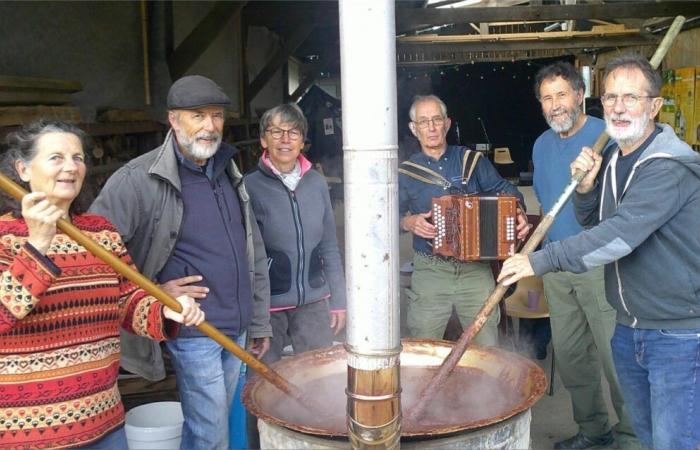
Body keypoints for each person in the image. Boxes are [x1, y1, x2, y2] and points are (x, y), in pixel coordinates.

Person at [499, 54, 700, 450]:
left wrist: (536, 259)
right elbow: (588, 216)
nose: (619, 107)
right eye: (612, 97)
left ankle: (627, 442)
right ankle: (596, 433)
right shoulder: (585, 152)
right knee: (582, 367)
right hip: (601, 293)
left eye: (631, 97)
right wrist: (587, 189)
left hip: (648, 306)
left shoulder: (648, 155)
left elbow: (619, 232)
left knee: (663, 422)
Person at [90, 75, 271, 450]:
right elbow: (93, 255)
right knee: (210, 431)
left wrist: (258, 322)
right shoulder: (137, 179)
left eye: (217, 116)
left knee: (215, 425)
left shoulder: (228, 169)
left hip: (235, 325)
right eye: (198, 115)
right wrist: (154, 293)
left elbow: (252, 249)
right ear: (174, 120)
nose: (210, 126)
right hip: (195, 329)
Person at [0, 121, 204, 449]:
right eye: (56, 158)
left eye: (78, 158)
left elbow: (127, 299)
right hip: (26, 432)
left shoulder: (100, 233)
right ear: (23, 169)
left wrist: (165, 310)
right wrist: (37, 244)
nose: (70, 166)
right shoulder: (4, 238)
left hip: (104, 422)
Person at [531, 62, 637, 450]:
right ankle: (594, 432)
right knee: (574, 360)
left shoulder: (608, 135)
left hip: (600, 267)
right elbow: (546, 205)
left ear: (579, 95)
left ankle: (631, 438)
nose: (555, 105)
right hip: (557, 267)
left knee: (616, 360)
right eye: (547, 97)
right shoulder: (541, 145)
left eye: (562, 94)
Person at [399, 94, 528, 345]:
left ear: (447, 123)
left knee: (486, 341)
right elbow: (384, 219)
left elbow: (507, 190)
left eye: (437, 119)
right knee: (425, 344)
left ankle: (482, 385)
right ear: (414, 129)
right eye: (424, 122)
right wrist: (408, 222)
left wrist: (519, 211)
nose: (432, 127)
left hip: (475, 269)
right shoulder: (406, 172)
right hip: (430, 269)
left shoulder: (472, 161)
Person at [244, 103, 346, 363]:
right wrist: (257, 319)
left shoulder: (317, 183)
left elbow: (329, 246)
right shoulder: (248, 187)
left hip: (313, 301)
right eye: (276, 132)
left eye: (294, 132)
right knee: (264, 382)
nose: (285, 140)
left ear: (303, 141)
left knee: (318, 375)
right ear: (263, 139)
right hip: (269, 306)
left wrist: (338, 301)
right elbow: (246, 255)